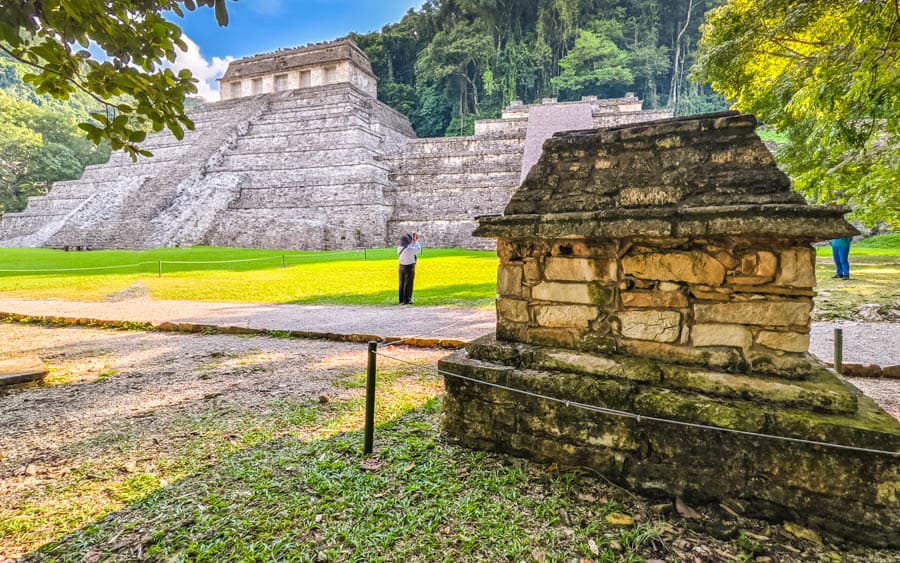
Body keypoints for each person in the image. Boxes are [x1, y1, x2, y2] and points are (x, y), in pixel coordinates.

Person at [398, 232, 421, 304]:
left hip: (401, 267)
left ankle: (401, 299)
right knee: (408, 284)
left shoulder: (399, 248)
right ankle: (407, 299)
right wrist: (416, 241)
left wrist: (412, 242)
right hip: (409, 267)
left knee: (402, 283)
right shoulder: (410, 250)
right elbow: (418, 249)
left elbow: (408, 246)